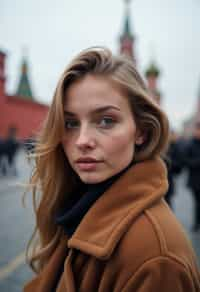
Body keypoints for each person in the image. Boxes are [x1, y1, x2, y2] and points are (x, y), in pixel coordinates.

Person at [24, 47, 200, 292]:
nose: (82, 140)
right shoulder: (75, 206)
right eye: (71, 123)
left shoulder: (156, 257)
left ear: (141, 131)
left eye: (106, 120)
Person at [185, 121, 200, 232]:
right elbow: (186, 161)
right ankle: (196, 223)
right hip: (195, 180)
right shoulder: (190, 144)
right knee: (197, 203)